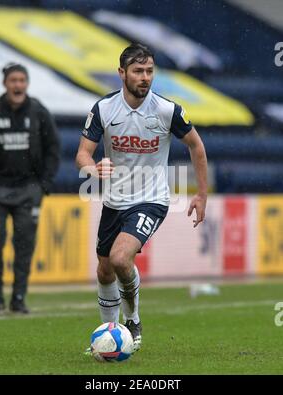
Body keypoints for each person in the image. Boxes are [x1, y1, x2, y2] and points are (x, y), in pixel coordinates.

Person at [76, 43, 207, 352]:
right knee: (105, 269)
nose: (145, 77)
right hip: (114, 201)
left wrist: (201, 194)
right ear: (122, 74)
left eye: (149, 71)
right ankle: (108, 333)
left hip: (152, 199)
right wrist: (92, 169)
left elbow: (196, 146)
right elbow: (82, 153)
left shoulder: (166, 110)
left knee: (122, 259)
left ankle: (132, 320)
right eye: (138, 71)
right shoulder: (104, 109)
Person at [0, 63, 60, 313]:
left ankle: (18, 298)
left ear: (27, 83)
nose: (18, 85)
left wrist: (43, 185)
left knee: (25, 244)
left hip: (28, 190)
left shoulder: (38, 111)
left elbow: (53, 149)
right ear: (5, 83)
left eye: (22, 80)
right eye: (13, 80)